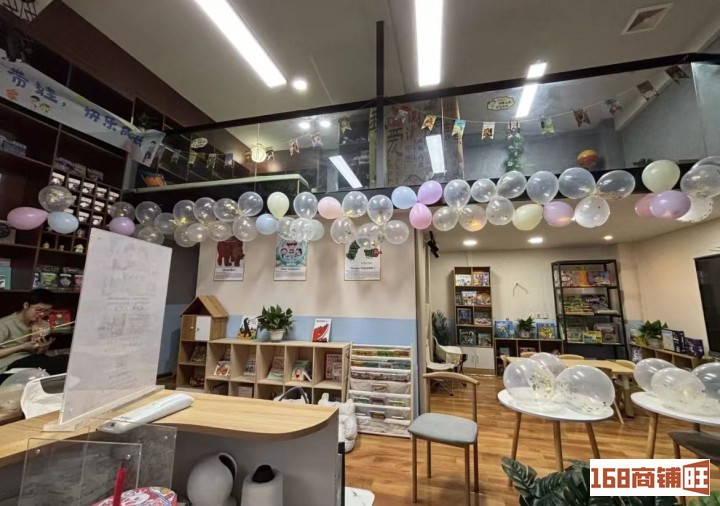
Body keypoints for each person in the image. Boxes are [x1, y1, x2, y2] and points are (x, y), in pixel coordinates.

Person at [0, 289, 69, 382]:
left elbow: (37, 353)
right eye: (38, 309)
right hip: (9, 365)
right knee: (54, 366)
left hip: (32, 360)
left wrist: (43, 348)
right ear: (26, 305)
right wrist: (21, 347)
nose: (42, 314)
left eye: (47, 311)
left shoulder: (44, 325)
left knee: (66, 361)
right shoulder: (4, 324)